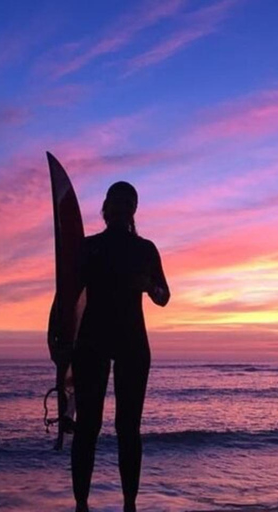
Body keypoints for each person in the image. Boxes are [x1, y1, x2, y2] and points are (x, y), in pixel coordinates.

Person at [72, 181, 170, 512]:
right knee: (89, 426)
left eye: (127, 204)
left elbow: (163, 297)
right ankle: (82, 506)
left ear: (132, 211)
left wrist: (148, 285)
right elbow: (67, 297)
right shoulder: (88, 248)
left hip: (129, 343)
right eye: (117, 203)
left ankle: (129, 506)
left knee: (127, 428)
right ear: (106, 208)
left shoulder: (145, 250)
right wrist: (58, 338)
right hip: (93, 342)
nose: (120, 209)